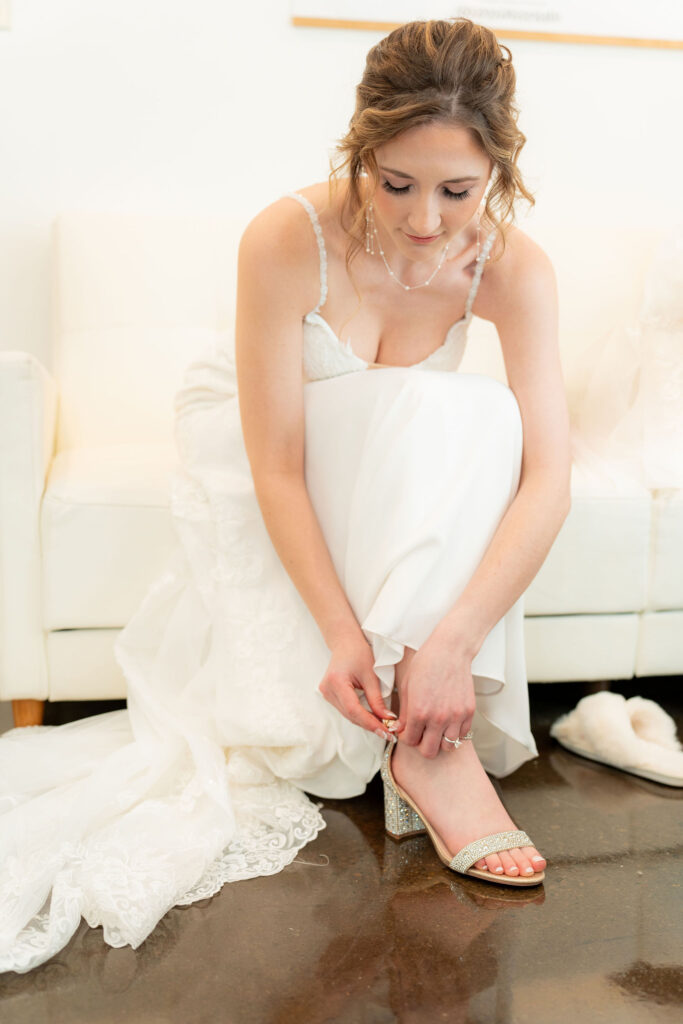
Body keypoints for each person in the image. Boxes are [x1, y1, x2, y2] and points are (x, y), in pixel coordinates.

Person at [0, 17, 570, 974]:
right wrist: (343, 636)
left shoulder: (511, 267)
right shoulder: (285, 237)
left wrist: (452, 644)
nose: (425, 220)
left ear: (499, 176)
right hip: (267, 439)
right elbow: (275, 463)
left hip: (394, 457)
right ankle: (421, 742)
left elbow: (548, 475)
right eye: (395, 184)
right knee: (435, 411)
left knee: (482, 418)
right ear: (360, 149)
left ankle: (426, 725)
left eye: (458, 192)